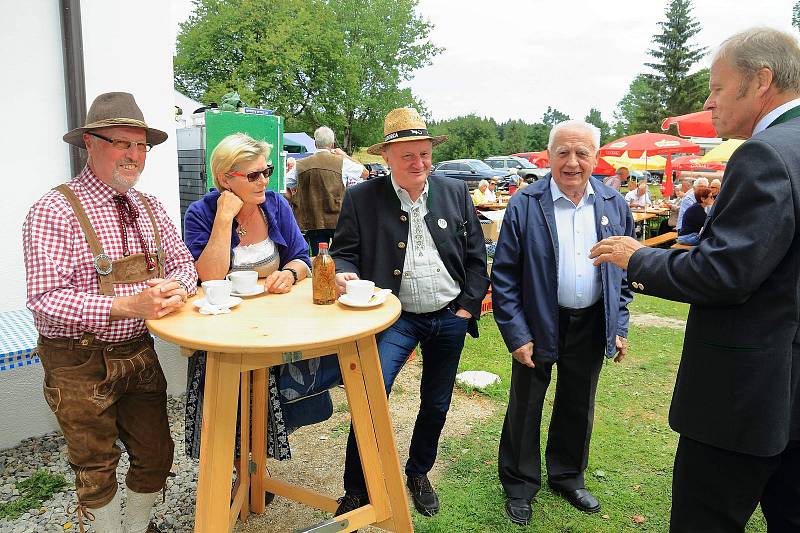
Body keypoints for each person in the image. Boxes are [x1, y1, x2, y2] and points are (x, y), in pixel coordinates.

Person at [590, 27, 800, 532]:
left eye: (718, 87)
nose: (708, 102)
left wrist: (636, 258)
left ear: (761, 81)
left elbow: (724, 273)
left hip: (744, 402)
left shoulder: (765, 154)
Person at [23, 92, 198, 533]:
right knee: (95, 466)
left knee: (157, 453)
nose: (134, 156)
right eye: (122, 143)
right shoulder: (53, 210)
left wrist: (174, 285)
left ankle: (137, 527)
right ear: (89, 143)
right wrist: (125, 304)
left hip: (138, 350)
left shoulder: (151, 207)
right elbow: (44, 299)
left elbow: (183, 265)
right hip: (76, 360)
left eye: (141, 146)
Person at [330, 107, 489, 517]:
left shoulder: (454, 191)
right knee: (369, 398)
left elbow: (476, 257)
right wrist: (345, 276)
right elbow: (343, 255)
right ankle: (357, 488)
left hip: (450, 314)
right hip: (393, 317)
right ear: (387, 157)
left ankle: (418, 472)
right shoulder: (362, 198)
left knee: (436, 403)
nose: (419, 163)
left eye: (424, 153)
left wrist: (467, 309)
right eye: (408, 156)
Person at [492, 120, 633, 526]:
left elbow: (622, 275)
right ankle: (519, 484)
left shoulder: (612, 203)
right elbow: (503, 276)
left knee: (577, 402)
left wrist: (617, 324)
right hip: (538, 321)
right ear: (550, 156)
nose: (572, 163)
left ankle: (568, 475)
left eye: (582, 153)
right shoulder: (525, 202)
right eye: (563, 153)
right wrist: (517, 333)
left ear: (595, 157)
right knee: (526, 404)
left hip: (590, 322)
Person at [183, 133, 338, 461]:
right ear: (225, 179)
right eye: (253, 175)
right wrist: (224, 219)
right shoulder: (201, 213)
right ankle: (237, 466)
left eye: (266, 171)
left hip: (272, 325)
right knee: (232, 409)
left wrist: (291, 273)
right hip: (223, 330)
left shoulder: (275, 204)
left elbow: (300, 256)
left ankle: (255, 463)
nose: (264, 181)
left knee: (272, 400)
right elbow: (208, 276)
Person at [287, 126, 368, 255]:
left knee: (319, 258)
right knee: (341, 257)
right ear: (332, 143)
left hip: (312, 221)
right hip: (338, 219)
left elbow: (285, 185)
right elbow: (365, 173)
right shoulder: (342, 162)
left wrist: (295, 199)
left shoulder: (300, 164)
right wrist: (345, 155)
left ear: (315, 143)